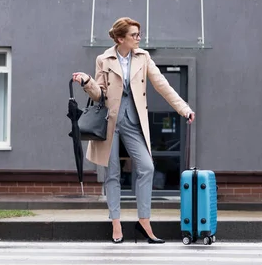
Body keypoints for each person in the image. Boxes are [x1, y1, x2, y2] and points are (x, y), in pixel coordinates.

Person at [72, 17, 195, 244]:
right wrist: (87, 81)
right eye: (134, 35)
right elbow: (99, 93)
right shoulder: (104, 59)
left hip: (132, 121)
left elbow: (162, 85)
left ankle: (144, 221)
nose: (139, 38)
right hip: (109, 122)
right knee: (113, 174)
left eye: (139, 34)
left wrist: (184, 109)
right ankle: (116, 223)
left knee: (147, 167)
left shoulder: (143, 57)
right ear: (121, 38)